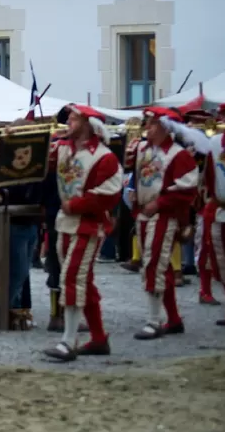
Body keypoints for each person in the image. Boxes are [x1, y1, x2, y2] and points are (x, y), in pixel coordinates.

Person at [41, 105, 124, 361]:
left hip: (87, 224)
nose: (69, 122)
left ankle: (68, 341)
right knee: (82, 282)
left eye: (75, 118)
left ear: (89, 124)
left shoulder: (105, 157)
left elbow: (109, 194)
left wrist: (75, 205)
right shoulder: (62, 147)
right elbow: (38, 163)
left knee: (72, 279)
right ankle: (99, 339)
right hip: (64, 223)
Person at [130, 107, 201, 340]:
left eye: (151, 123)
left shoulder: (179, 155)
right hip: (143, 212)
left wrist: (159, 203)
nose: (146, 127)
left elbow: (187, 190)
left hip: (164, 215)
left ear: (165, 127)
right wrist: (133, 193)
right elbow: (136, 175)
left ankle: (154, 320)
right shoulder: (142, 149)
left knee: (153, 264)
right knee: (160, 266)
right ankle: (174, 319)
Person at [198, 104, 225, 319]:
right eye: (223, 115)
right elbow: (209, 174)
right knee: (222, 260)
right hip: (222, 209)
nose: (223, 119)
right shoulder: (215, 143)